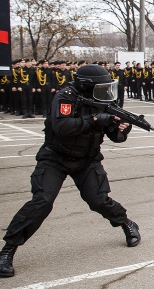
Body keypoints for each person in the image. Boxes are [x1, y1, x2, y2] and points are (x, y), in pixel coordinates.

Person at [0, 64, 140, 279]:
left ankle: (126, 222)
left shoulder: (104, 100)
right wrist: (94, 119)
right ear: (86, 86)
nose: (105, 91)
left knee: (98, 200)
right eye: (100, 87)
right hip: (55, 157)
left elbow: (115, 137)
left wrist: (122, 129)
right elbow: (61, 127)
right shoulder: (65, 97)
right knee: (42, 201)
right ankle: (8, 250)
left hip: (87, 159)